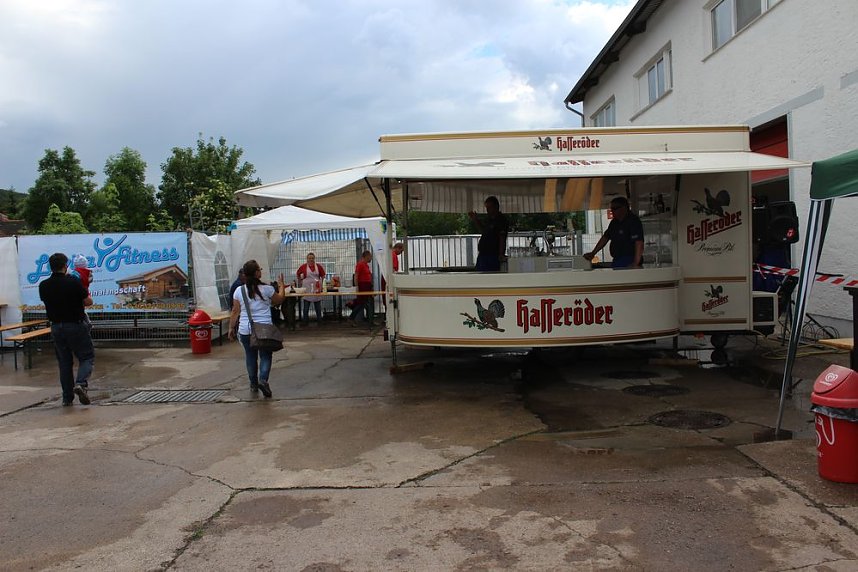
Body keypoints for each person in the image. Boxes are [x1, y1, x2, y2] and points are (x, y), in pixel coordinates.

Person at [38, 252, 94, 406]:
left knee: (64, 362)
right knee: (86, 357)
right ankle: (81, 384)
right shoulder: (73, 282)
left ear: (51, 267)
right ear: (65, 265)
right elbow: (88, 301)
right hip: (76, 325)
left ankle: (67, 398)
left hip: (56, 327)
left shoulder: (44, 285)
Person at [228, 260, 286, 398]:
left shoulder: (239, 290)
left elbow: (235, 311)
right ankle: (263, 380)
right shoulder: (267, 289)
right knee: (265, 355)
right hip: (264, 329)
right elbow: (279, 300)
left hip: (245, 330)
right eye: (259, 269)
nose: (261, 271)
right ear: (256, 273)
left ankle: (253, 384)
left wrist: (231, 328)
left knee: (250, 356)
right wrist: (281, 285)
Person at [584, 196, 644, 268]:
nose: (612, 211)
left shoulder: (633, 221)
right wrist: (593, 253)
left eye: (615, 208)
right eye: (611, 208)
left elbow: (639, 242)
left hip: (630, 258)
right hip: (617, 258)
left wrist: (636, 263)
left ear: (624, 208)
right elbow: (605, 238)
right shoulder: (614, 222)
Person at [468, 196, 509, 271]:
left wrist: (501, 254)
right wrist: (475, 220)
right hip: (483, 254)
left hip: (493, 255)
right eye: (486, 207)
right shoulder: (488, 219)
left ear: (496, 207)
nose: (487, 210)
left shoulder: (501, 220)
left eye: (489, 207)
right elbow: (483, 231)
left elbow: (502, 237)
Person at [296, 252, 326, 324]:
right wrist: (300, 282)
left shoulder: (318, 266)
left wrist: (323, 285)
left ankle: (319, 321)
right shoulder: (303, 266)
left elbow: (323, 276)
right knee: (306, 307)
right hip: (307, 289)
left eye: (312, 258)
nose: (311, 259)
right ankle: (305, 321)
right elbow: (298, 274)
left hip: (317, 288)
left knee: (318, 306)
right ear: (307, 259)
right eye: (309, 258)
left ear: (314, 259)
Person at [349, 250, 374, 325]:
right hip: (363, 285)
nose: (371, 258)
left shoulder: (366, 265)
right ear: (367, 256)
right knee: (362, 303)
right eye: (370, 256)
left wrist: (371, 287)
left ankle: (370, 320)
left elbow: (368, 276)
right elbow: (356, 275)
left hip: (367, 286)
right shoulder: (360, 264)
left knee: (367, 303)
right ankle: (351, 317)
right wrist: (357, 286)